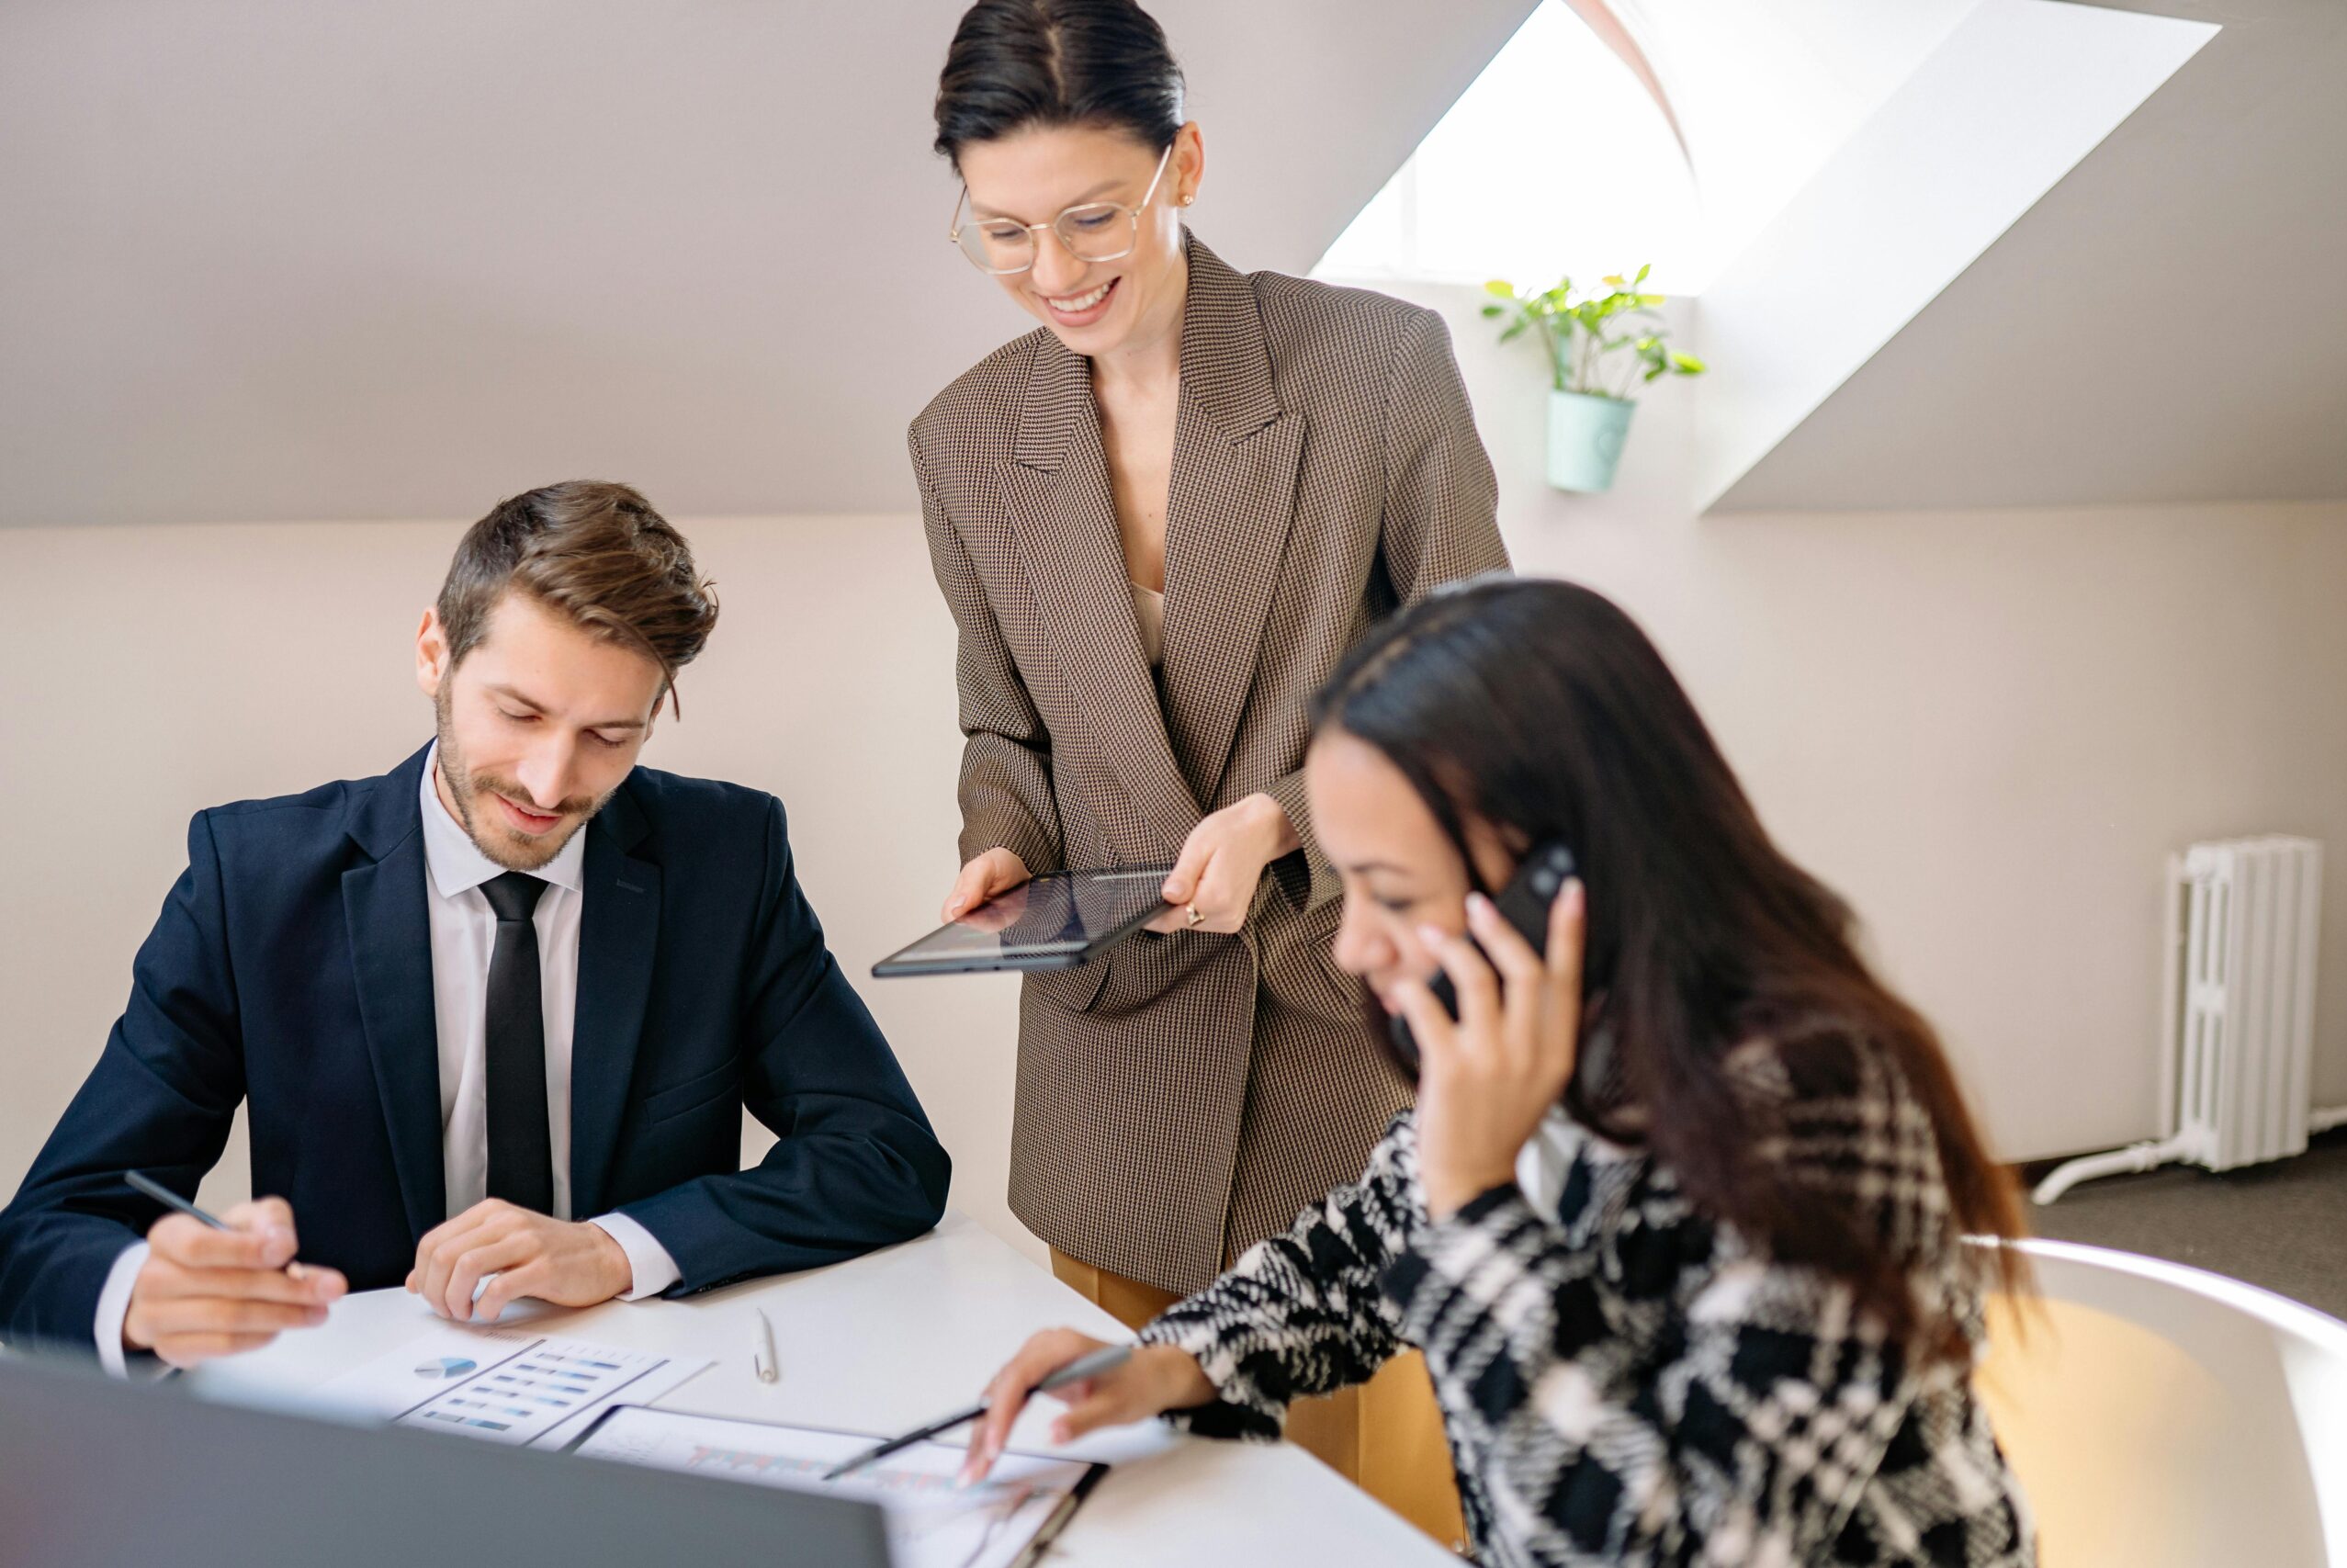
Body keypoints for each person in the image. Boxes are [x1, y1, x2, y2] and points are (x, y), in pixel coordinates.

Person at [963, 579, 2038, 1567]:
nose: (1353, 947)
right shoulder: (1533, 1032)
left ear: (1564, 880)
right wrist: (1167, 1364)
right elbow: (1359, 1253)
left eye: (1391, 892)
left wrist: (1476, 1203)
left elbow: (1689, 1554)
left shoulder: (1812, 1106)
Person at [909, 0, 1507, 1535]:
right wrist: (999, 839)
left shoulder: (1376, 366)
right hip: (1117, 1056)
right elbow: (1004, 725)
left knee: (1379, 1516)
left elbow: (1488, 687)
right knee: (1133, 1507)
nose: (1054, 271)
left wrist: (1291, 819)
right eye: (1003, 231)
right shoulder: (962, 439)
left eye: (1092, 216)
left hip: (1345, 1023)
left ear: (1183, 163)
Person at [0, 481, 950, 1371]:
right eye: (519, 713)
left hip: (647, 1394)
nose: (549, 782)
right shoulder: (251, 881)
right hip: (360, 1413)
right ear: (434, 654)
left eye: (608, 736)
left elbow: (886, 1155)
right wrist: (141, 1295)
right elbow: (43, 1233)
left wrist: (614, 1249)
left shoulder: (727, 859)